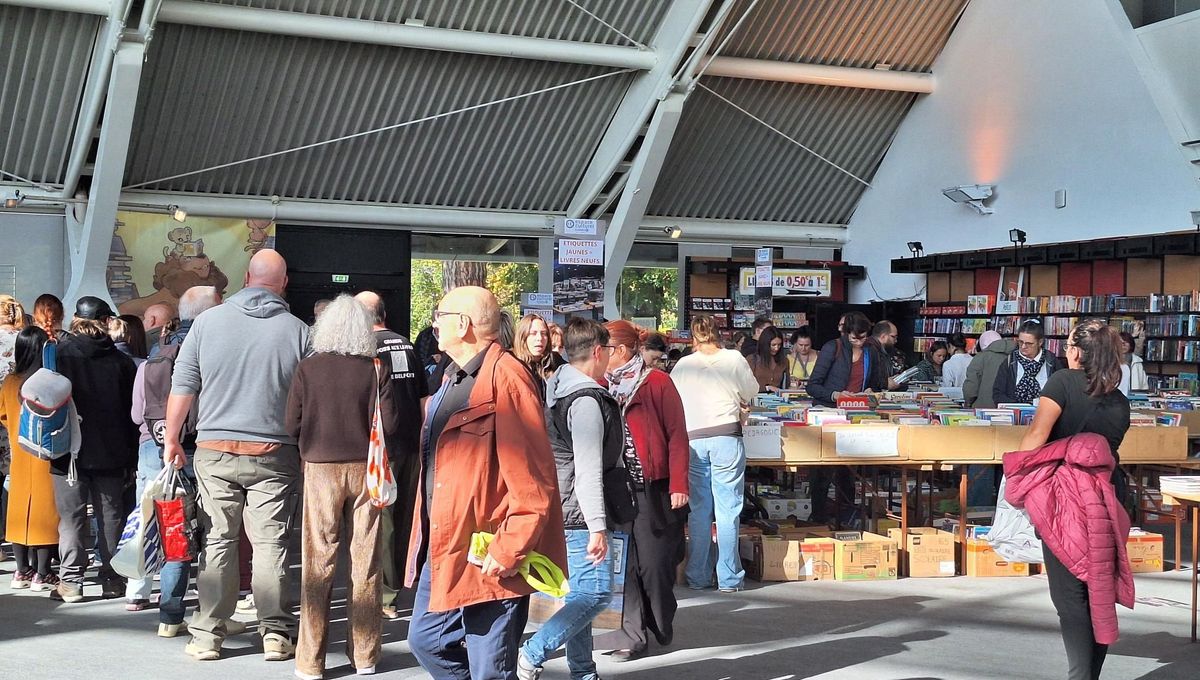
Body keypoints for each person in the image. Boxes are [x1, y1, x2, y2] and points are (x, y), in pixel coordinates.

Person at [406, 286, 566, 680]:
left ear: (462, 325)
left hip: (491, 553)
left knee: (489, 669)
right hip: (446, 545)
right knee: (425, 641)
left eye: (439, 315)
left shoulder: (508, 377)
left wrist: (510, 547)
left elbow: (534, 479)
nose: (434, 324)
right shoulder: (451, 376)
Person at [163, 250, 309, 662]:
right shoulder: (300, 332)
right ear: (284, 283)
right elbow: (307, 400)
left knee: (218, 539)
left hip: (214, 450)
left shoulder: (207, 323)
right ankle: (276, 634)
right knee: (271, 543)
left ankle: (208, 634)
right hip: (275, 452)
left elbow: (183, 385)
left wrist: (172, 439)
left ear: (246, 277)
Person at [1010, 319, 1131, 680]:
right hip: (1108, 496)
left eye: (1068, 345)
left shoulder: (1062, 382)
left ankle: (1080, 676)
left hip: (1065, 496)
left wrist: (1016, 476)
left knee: (1069, 596)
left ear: (1077, 351)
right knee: (1098, 588)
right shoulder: (1120, 400)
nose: (1064, 350)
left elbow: (1037, 435)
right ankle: (1089, 674)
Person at [286, 295, 398, 679]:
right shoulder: (375, 368)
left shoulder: (308, 368)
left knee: (318, 561)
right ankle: (365, 655)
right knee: (365, 562)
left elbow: (291, 423)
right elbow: (392, 423)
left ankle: (310, 660)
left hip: (319, 467)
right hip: (367, 468)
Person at [518, 318, 620, 680]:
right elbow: (588, 467)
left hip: (564, 504)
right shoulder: (586, 400)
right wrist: (597, 526)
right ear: (597, 352)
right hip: (579, 511)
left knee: (581, 595)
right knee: (595, 594)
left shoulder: (557, 387)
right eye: (608, 351)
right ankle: (532, 653)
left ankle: (583, 671)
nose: (610, 358)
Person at [125, 285, 221, 629]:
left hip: (154, 447)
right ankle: (209, 611)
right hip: (202, 449)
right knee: (214, 531)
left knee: (168, 527)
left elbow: (138, 414)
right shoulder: (212, 353)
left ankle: (165, 610)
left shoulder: (155, 357)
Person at [596, 320, 689, 661]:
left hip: (655, 489)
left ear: (619, 351)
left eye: (603, 349)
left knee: (654, 566)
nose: (598, 355)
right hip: (616, 489)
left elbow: (678, 434)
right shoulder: (600, 386)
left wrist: (680, 484)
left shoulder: (658, 383)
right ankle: (631, 635)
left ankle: (660, 618)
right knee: (624, 565)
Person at [52, 296, 138, 603]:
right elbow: (132, 414)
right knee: (111, 517)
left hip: (67, 450)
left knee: (71, 518)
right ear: (106, 322)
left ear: (76, 319)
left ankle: (71, 581)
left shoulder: (59, 355)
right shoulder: (122, 362)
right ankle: (113, 578)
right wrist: (132, 457)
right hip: (113, 452)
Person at [353, 290, 427, 621]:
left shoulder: (365, 349)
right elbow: (424, 397)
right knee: (404, 518)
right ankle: (397, 585)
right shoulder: (407, 345)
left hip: (381, 447)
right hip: (411, 442)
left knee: (381, 518)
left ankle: (384, 593)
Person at [670, 315, 757, 593]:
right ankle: (729, 578)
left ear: (693, 338)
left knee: (699, 511)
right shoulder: (733, 359)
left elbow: (673, 399)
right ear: (718, 333)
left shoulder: (684, 364)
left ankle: (697, 575)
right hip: (726, 437)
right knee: (728, 510)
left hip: (694, 440)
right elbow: (751, 391)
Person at [805, 312, 889, 524]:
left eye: (863, 337)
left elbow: (879, 383)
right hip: (828, 415)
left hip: (855, 415)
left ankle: (847, 518)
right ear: (845, 333)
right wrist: (835, 395)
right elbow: (813, 385)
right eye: (854, 338)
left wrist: (871, 391)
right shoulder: (833, 348)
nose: (859, 342)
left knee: (848, 472)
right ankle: (819, 518)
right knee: (822, 472)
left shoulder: (871, 350)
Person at [1, 326, 60, 592]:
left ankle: (21, 570)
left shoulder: (10, 382)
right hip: (45, 453)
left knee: (18, 511)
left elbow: (2, 414)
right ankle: (43, 572)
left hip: (19, 452)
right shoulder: (47, 380)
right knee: (46, 513)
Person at [994, 320, 1062, 405]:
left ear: (1040, 342)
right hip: (1015, 412)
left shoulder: (1051, 362)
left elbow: (1061, 392)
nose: (1023, 346)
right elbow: (998, 394)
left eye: (1029, 344)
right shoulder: (1009, 361)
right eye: (1020, 342)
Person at [512, 313, 565, 397]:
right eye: (533, 333)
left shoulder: (555, 361)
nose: (539, 338)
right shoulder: (511, 365)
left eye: (544, 333)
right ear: (523, 336)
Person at [963, 330, 1014, 408]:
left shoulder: (981, 357)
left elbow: (971, 388)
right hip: (1012, 408)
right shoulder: (1017, 354)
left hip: (984, 408)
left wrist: (969, 402)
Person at [746, 325, 787, 392]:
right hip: (756, 398)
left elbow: (786, 385)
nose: (776, 348)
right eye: (773, 345)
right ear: (765, 344)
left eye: (779, 345)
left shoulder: (784, 361)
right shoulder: (752, 360)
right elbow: (745, 384)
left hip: (778, 399)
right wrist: (767, 388)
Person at [1118, 331, 1148, 396]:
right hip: (1118, 399)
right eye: (1120, 343)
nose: (1123, 345)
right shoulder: (1112, 362)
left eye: (1126, 342)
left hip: (1135, 398)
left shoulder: (1138, 362)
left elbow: (1144, 384)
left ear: (1131, 344)